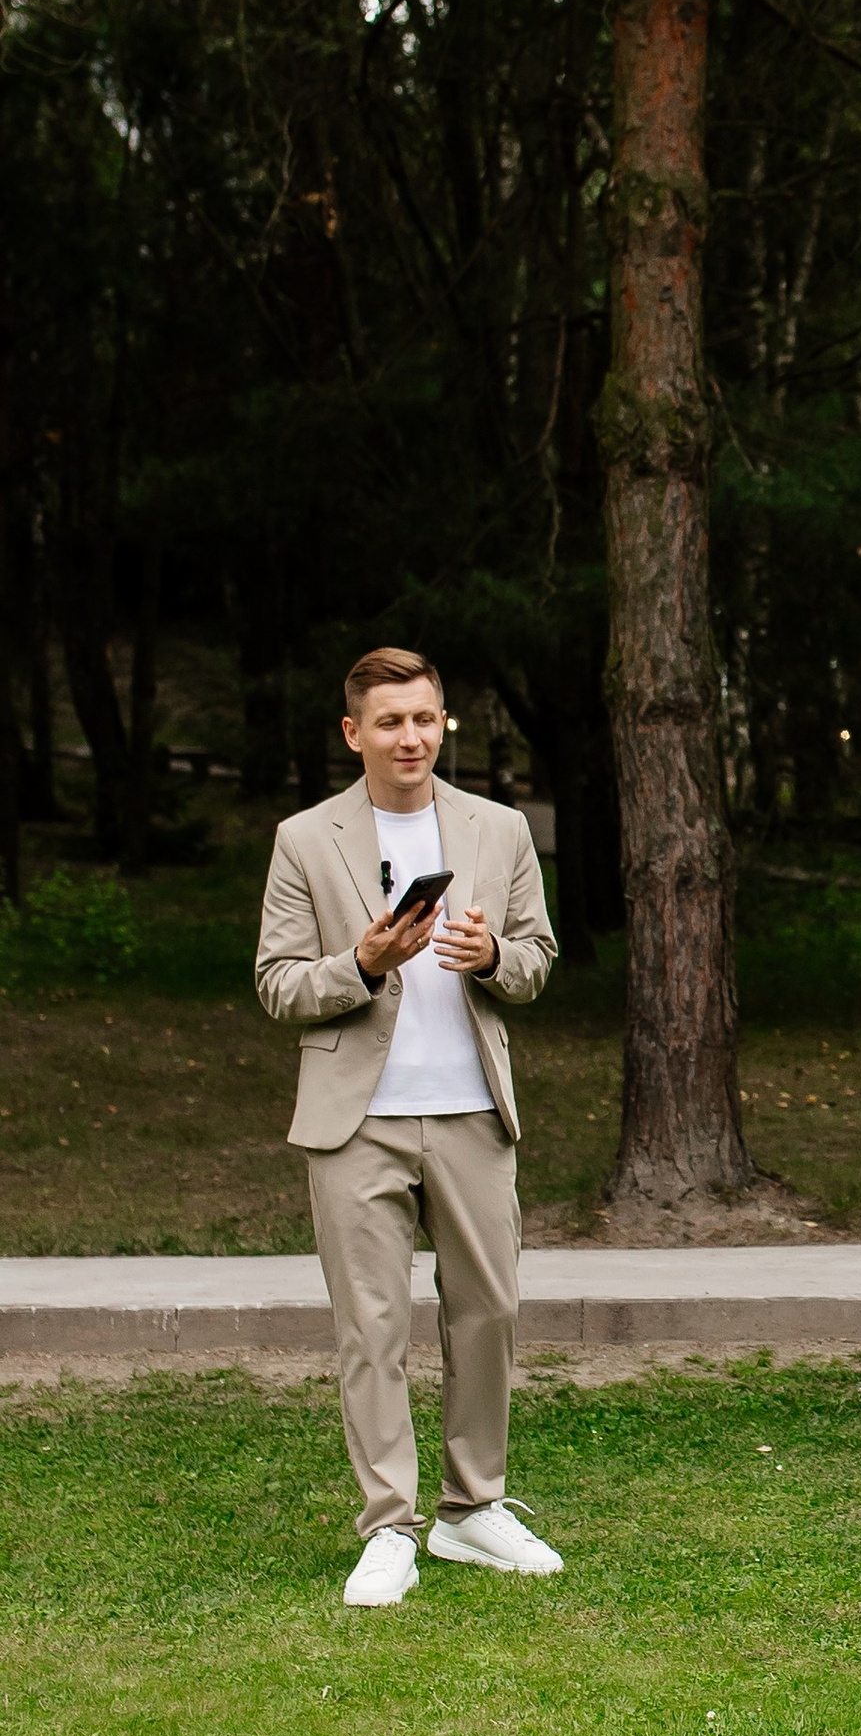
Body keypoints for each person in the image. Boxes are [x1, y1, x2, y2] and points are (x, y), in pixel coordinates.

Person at [255, 646, 562, 1610]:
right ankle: (390, 1526)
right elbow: (277, 983)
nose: (411, 737)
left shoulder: (500, 829)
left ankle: (474, 1509)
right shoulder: (306, 839)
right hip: (356, 1122)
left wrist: (490, 955)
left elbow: (540, 959)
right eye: (389, 721)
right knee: (373, 1329)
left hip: (473, 1109)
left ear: (443, 724)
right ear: (355, 733)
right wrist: (363, 960)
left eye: (425, 718)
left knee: (491, 1315)